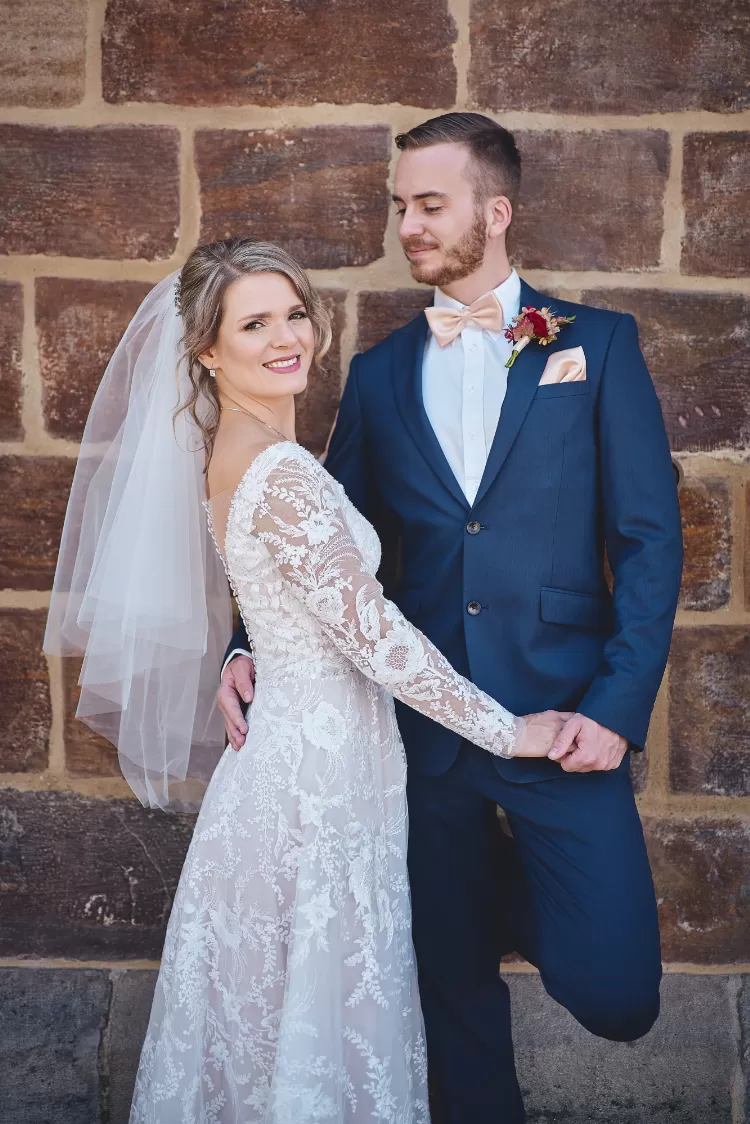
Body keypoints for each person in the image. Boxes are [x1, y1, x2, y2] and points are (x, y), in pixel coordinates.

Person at [219, 114, 684, 1122]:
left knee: (617, 991)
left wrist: (617, 707)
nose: (409, 227)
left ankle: (528, 888)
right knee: (451, 994)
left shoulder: (597, 345)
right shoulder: (381, 373)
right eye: (401, 207)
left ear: (496, 211)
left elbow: (650, 541)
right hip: (419, 734)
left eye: (430, 205)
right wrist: (244, 643)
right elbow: (320, 532)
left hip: (562, 722)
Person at [44, 237, 566, 1123]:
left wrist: (243, 650)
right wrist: (510, 731)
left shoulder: (243, 448)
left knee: (282, 1022)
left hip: (317, 763)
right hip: (311, 789)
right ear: (208, 350)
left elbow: (287, 599)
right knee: (314, 1015)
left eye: (294, 313)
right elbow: (376, 638)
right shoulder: (278, 470)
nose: (287, 337)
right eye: (254, 324)